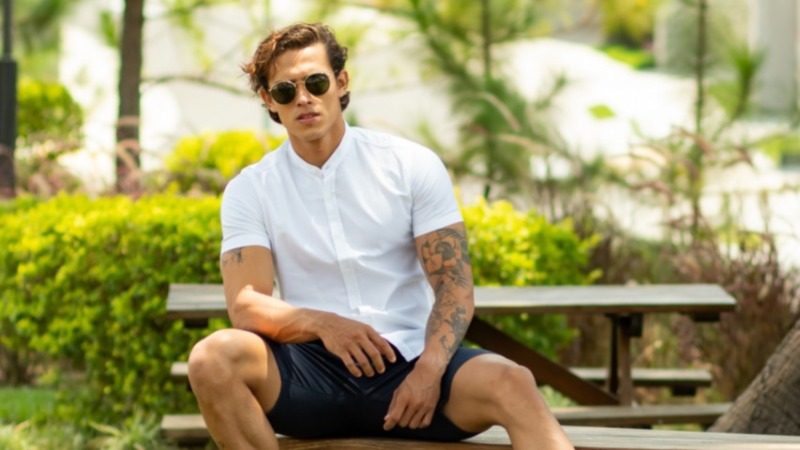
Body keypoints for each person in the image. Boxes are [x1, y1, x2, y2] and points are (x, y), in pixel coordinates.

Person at [187, 22, 575, 450]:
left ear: (341, 81)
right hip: (310, 373)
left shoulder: (409, 164)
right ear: (268, 100)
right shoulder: (251, 188)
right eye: (285, 90)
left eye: (316, 82)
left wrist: (429, 372)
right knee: (211, 359)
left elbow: (453, 286)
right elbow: (246, 305)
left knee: (513, 382)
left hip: (413, 363)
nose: (303, 98)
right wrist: (325, 324)